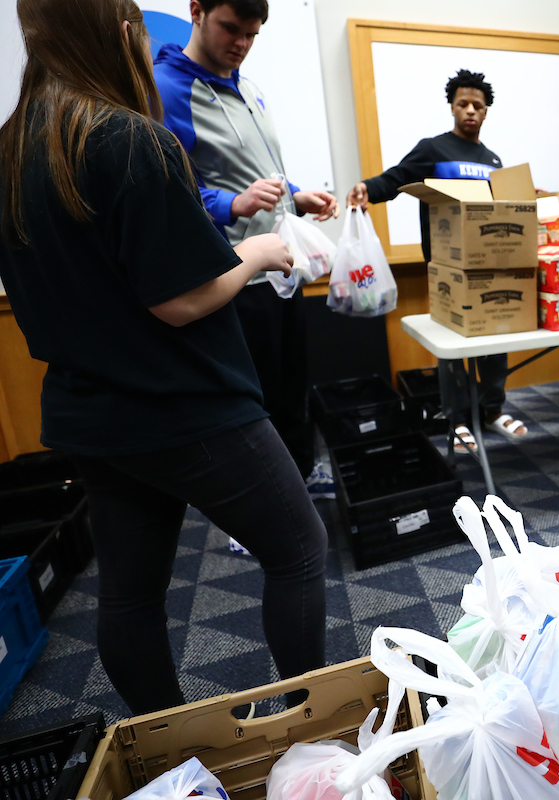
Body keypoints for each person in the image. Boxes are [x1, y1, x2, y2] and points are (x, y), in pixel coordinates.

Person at [0, 0, 327, 714]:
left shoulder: (13, 147)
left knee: (130, 594)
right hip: (185, 404)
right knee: (299, 547)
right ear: (123, 34)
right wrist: (257, 252)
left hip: (93, 413)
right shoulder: (129, 138)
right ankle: (315, 731)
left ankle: (168, 751)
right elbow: (181, 298)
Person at [154, 0, 339, 495]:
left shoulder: (248, 87)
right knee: (249, 399)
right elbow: (168, 189)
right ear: (197, 11)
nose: (240, 44)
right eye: (230, 28)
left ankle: (298, 475)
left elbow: (260, 173)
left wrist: (297, 194)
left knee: (291, 385)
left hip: (281, 267)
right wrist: (230, 203)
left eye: (252, 34)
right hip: (231, 274)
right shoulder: (168, 88)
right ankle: (255, 506)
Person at [346, 70, 528, 453]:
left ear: (486, 111)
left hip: (490, 266)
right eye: (463, 103)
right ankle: (458, 418)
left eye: (478, 105)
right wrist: (368, 189)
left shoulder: (493, 159)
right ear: (452, 106)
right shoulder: (433, 149)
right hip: (447, 268)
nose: (470, 111)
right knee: (453, 347)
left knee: (495, 342)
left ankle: (492, 410)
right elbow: (396, 179)